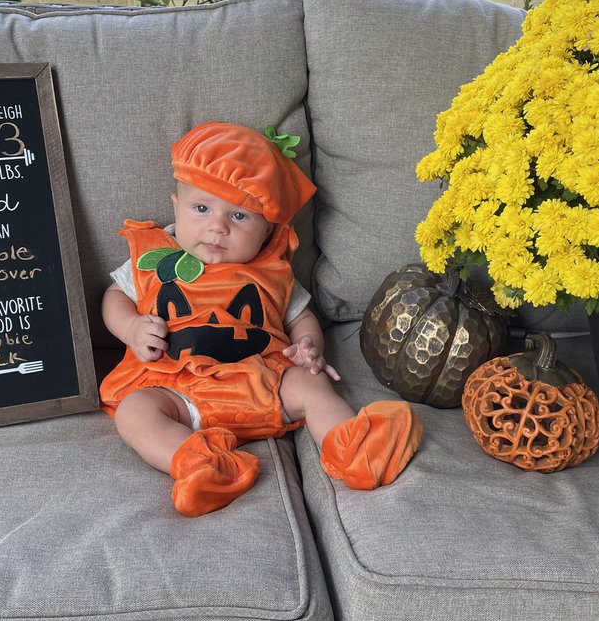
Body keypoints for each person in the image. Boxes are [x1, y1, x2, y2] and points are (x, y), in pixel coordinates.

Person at [100, 121, 422, 517]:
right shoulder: (154, 258)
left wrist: (308, 349)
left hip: (262, 386)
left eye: (239, 216)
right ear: (175, 206)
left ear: (268, 227)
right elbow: (114, 297)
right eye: (201, 208)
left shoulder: (272, 270)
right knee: (135, 412)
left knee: (311, 384)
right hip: (179, 393)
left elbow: (302, 318)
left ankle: (354, 446)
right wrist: (131, 327)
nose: (217, 227)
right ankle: (199, 466)